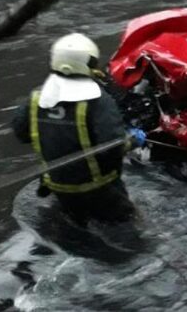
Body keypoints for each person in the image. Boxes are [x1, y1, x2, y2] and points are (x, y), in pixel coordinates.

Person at [12, 33, 146, 226]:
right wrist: (133, 140)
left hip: (60, 190)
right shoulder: (98, 101)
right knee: (135, 229)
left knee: (75, 225)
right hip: (102, 192)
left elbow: (21, 133)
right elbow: (112, 148)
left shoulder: (35, 99)